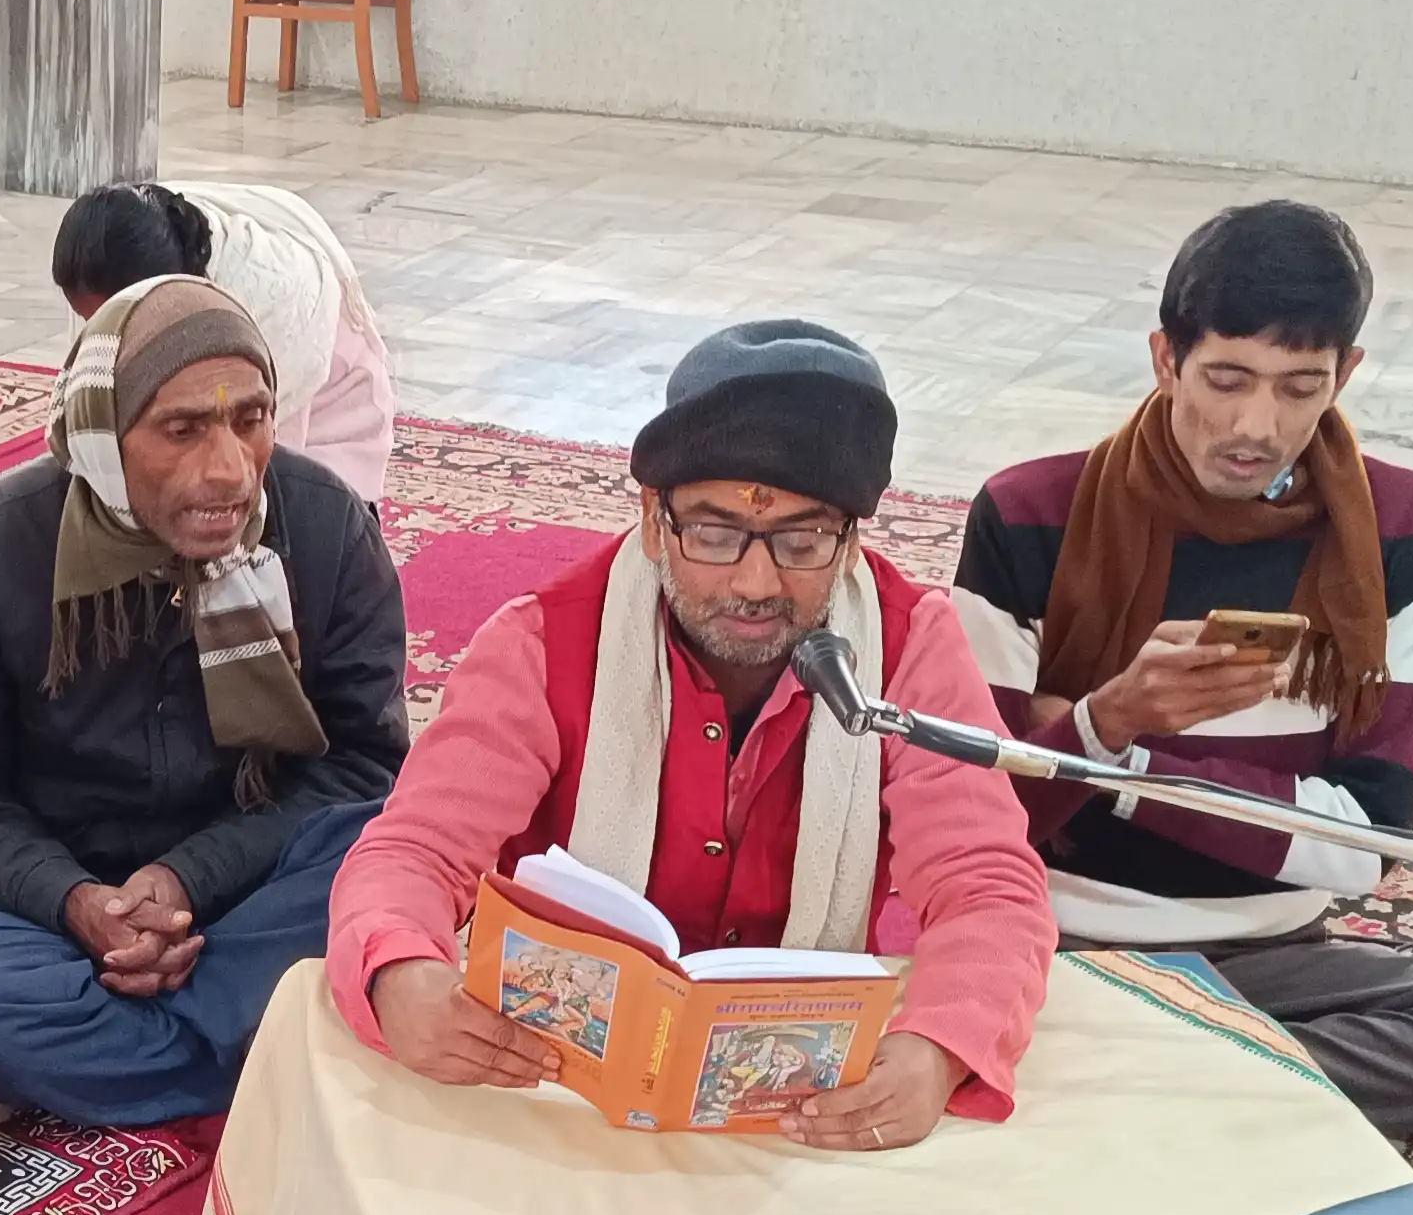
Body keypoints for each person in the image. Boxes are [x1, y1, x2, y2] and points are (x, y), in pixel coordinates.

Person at [329, 321, 1055, 1149]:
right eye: (711, 533)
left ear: (852, 541)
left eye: (802, 538)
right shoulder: (545, 641)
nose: (755, 582)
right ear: (651, 517)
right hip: (567, 1086)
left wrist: (937, 1051)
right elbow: (413, 851)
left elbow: (987, 882)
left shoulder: (907, 644)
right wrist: (400, 973)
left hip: (801, 1096)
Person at [955, 201, 1413, 1137]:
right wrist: (1111, 718)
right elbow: (979, 812)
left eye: (1299, 387)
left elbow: (1365, 848)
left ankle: (1110, 1084)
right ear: (1166, 358)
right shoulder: (1029, 511)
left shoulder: (1407, 530)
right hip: (1055, 944)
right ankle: (1225, 1092)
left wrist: (1119, 761)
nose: (1256, 425)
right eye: (1225, 379)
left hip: (1266, 959)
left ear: (1345, 374)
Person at [0, 277, 407, 1125]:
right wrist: (81, 904)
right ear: (102, 437)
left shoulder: (323, 527)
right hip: (64, 903)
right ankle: (265, 1041)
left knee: (392, 859)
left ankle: (146, 1050)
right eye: (183, 429)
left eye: (251, 418)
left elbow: (363, 768)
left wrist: (188, 878)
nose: (230, 470)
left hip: (257, 885)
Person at [52, 177, 398, 506]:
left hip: (324, 420)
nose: (99, 329)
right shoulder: (110, 252)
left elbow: (239, 436)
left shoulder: (269, 299)